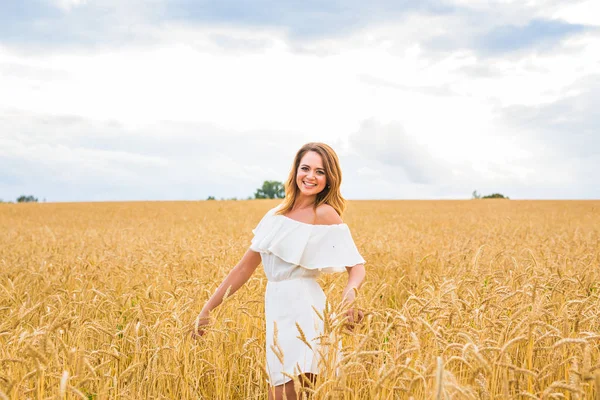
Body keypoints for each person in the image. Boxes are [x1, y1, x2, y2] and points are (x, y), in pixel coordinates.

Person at [192, 142, 366, 400]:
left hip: (308, 311)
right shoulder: (274, 215)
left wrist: (349, 296)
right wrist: (207, 309)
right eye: (305, 168)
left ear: (329, 179)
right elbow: (243, 268)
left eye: (320, 172)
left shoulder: (325, 213)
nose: (310, 176)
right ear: (295, 170)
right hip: (276, 309)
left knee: (300, 390)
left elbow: (357, 267)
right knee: (280, 389)